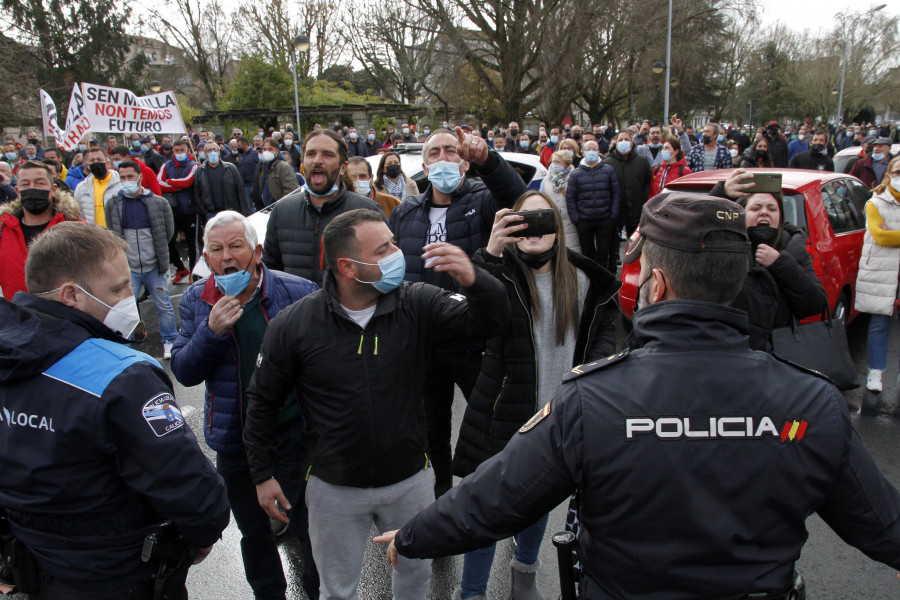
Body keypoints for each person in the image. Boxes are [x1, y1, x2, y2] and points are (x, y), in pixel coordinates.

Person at [374, 192, 900, 600]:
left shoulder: (592, 398)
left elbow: (499, 497)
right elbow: (884, 528)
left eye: (644, 270)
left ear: (659, 285)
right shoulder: (812, 403)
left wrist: (413, 536)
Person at [244, 209, 510, 600]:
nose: (398, 252)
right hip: (333, 489)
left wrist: (476, 279)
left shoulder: (417, 303)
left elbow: (490, 323)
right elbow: (262, 400)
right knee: (337, 589)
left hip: (410, 482)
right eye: (384, 248)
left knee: (415, 580)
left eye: (393, 242)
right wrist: (262, 475)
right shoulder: (295, 324)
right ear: (348, 266)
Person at [0, 221, 230, 599]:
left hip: (32, 565)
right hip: (119, 572)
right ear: (72, 294)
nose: (130, 295)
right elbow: (186, 482)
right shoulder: (121, 375)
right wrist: (203, 535)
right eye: (119, 287)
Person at [451, 192, 619, 600]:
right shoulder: (500, 274)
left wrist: (590, 375)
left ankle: (524, 574)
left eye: (541, 218)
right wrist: (489, 254)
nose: (531, 228)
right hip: (501, 412)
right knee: (485, 509)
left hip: (556, 416)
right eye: (521, 220)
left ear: (558, 225)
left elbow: (605, 331)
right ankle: (471, 592)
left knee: (537, 502)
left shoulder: (583, 277)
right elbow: (473, 318)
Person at [172, 211, 321, 600]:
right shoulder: (196, 299)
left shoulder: (297, 291)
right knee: (254, 531)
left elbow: (325, 360)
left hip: (293, 433)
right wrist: (211, 332)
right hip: (234, 438)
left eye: (235, 246)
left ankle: (316, 590)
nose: (226, 257)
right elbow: (184, 371)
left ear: (256, 251)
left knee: (307, 524)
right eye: (216, 250)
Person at [388, 126, 527, 497]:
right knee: (431, 429)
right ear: (424, 163)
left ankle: (498, 499)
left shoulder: (480, 200)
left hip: (474, 338)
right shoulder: (405, 213)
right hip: (424, 339)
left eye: (452, 151)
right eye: (435, 153)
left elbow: (519, 200)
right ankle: (440, 499)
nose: (443, 159)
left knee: (489, 424)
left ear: (464, 162)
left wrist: (489, 162)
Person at [711, 169, 827, 350]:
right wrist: (722, 194)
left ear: (780, 216)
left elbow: (815, 304)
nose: (765, 213)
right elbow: (696, 228)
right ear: (741, 213)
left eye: (772, 209)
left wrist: (780, 264)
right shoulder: (724, 244)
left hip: (777, 357)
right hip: (731, 353)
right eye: (756, 208)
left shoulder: (793, 247)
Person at [262, 129, 382, 286]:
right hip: (297, 309)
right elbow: (269, 274)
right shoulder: (282, 211)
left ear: (343, 167)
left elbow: (381, 273)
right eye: (311, 154)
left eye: (328, 155)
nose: (317, 160)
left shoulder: (368, 211)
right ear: (303, 163)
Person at [0, 160, 82, 300]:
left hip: (64, 317)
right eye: (26, 184)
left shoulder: (78, 228)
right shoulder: (2, 230)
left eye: (40, 183)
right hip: (16, 316)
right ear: (17, 191)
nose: (33, 188)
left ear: (53, 189)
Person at [854, 156, 900, 392]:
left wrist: (894, 234)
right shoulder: (876, 203)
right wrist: (888, 235)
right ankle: (875, 372)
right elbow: (881, 236)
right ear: (889, 174)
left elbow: (890, 235)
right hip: (882, 270)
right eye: (898, 172)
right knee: (879, 323)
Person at [566, 141, 620, 272]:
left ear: (598, 151)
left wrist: (612, 216)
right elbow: (571, 198)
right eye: (588, 149)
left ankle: (604, 281)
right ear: (583, 152)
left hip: (605, 219)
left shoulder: (608, 170)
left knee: (604, 253)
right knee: (587, 254)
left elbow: (616, 194)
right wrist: (576, 219)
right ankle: (592, 281)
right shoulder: (576, 174)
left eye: (594, 149)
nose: (591, 151)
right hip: (584, 221)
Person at [158, 139, 201, 282]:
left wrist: (170, 182)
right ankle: (180, 268)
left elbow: (188, 182)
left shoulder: (194, 165)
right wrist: (177, 186)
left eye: (182, 150)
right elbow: (160, 183)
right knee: (169, 241)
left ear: (188, 151)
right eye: (176, 151)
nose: (179, 153)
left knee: (191, 243)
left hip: (189, 209)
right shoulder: (166, 165)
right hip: (171, 209)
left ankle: (194, 272)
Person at [603, 130, 652, 238]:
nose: (623, 142)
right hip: (615, 213)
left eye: (626, 139)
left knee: (635, 244)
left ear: (632, 142)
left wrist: (642, 200)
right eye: (620, 140)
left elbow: (648, 182)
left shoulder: (642, 161)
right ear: (616, 143)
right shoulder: (607, 163)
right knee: (612, 245)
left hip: (636, 212)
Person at [539, 150, 579, 251]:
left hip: (569, 220)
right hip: (552, 220)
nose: (555, 164)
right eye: (553, 161)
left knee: (571, 250)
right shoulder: (546, 180)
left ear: (566, 164)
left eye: (558, 162)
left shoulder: (574, 178)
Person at [197, 140, 248, 217]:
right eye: (209, 150)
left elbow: (240, 191)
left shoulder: (230, 168)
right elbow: (197, 194)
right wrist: (204, 211)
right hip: (211, 213)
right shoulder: (200, 171)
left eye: (215, 149)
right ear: (205, 153)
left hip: (230, 212)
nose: (212, 152)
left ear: (219, 152)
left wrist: (244, 212)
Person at [73, 148, 121, 227]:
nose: (96, 162)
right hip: (94, 236)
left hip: (116, 235)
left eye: (99, 159)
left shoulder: (121, 184)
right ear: (87, 165)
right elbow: (79, 216)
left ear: (107, 163)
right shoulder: (81, 188)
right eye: (92, 160)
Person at [253, 138, 299, 209]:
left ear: (277, 151)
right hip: (266, 209)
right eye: (264, 149)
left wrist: (280, 208)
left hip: (280, 208)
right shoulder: (263, 166)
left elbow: (291, 191)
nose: (266, 152)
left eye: (270, 149)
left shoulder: (283, 167)